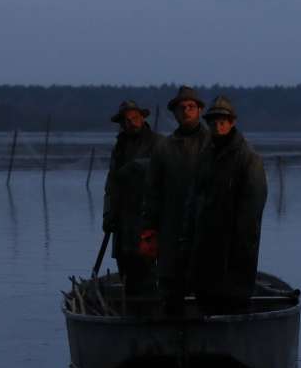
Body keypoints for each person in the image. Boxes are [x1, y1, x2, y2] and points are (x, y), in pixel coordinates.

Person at [185, 95, 268, 312]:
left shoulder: (249, 159)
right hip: (205, 247)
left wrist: (240, 243)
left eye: (222, 121)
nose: (217, 125)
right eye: (213, 121)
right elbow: (195, 198)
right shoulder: (205, 157)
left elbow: (253, 208)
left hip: (235, 251)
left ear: (232, 123)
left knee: (234, 303)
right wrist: (191, 235)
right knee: (205, 303)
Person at [143, 86, 211, 309]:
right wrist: (149, 231)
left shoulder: (213, 144)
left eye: (191, 107)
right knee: (171, 289)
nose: (186, 111)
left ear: (200, 110)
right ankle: (170, 335)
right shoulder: (164, 148)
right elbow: (152, 192)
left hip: (204, 229)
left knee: (206, 287)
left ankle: (207, 337)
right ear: (174, 113)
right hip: (170, 229)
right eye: (181, 108)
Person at [102, 100, 163, 295]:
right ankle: (131, 312)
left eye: (134, 118)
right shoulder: (119, 147)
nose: (131, 123)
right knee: (126, 268)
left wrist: (136, 166)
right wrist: (108, 214)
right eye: (126, 120)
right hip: (122, 220)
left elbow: (163, 171)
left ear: (142, 118)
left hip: (148, 220)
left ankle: (149, 312)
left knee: (146, 268)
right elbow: (111, 184)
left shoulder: (158, 143)